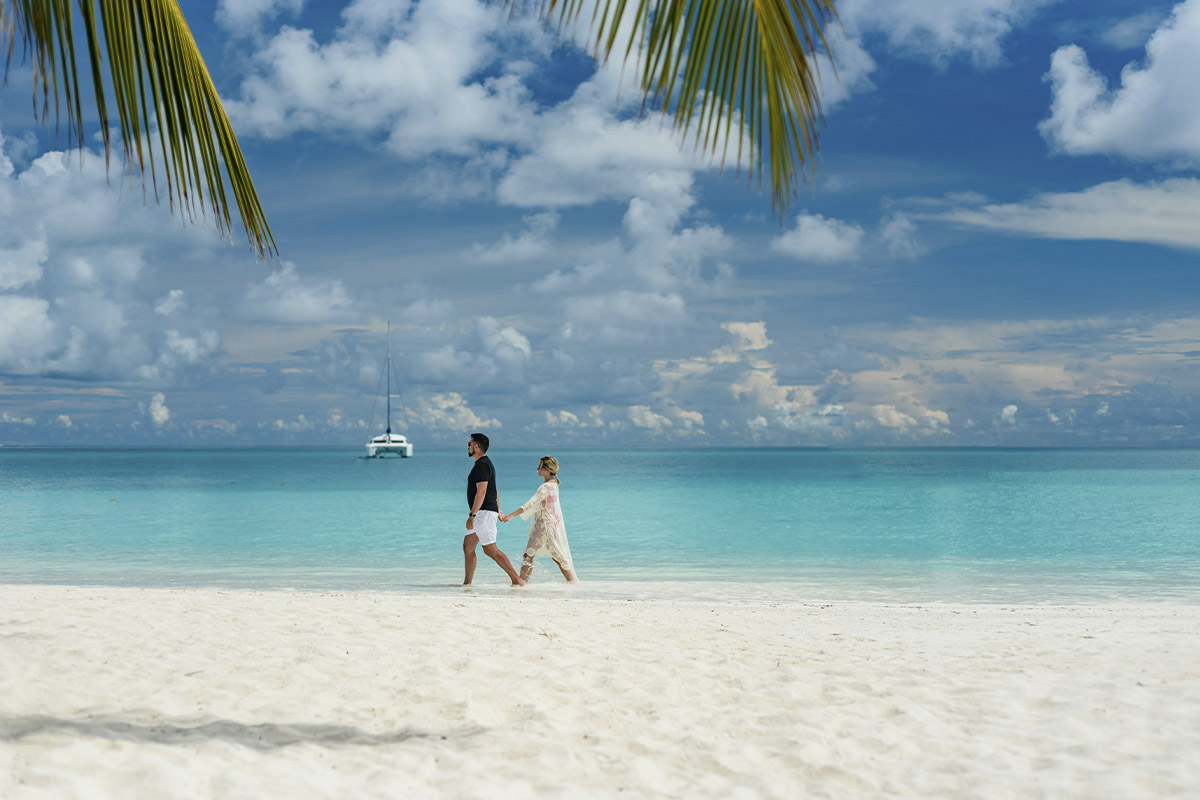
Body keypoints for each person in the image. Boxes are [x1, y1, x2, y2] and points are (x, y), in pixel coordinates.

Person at [499, 456, 577, 583]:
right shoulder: (554, 485)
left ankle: (521, 583)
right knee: (556, 556)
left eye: (540, 466)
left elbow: (530, 504)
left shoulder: (545, 487)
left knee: (529, 554)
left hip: (544, 525)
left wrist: (510, 516)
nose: (537, 469)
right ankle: (571, 582)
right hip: (551, 525)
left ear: (547, 470)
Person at [463, 433, 524, 587]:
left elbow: (482, 491)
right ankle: (467, 584)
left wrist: (472, 515)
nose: (468, 446)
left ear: (476, 447)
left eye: (469, 444)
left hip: (482, 513)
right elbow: (494, 490)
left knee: (491, 550)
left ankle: (517, 581)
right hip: (484, 511)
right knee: (468, 546)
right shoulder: (483, 464)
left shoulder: (483, 465)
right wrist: (498, 509)